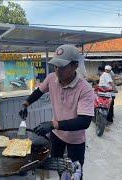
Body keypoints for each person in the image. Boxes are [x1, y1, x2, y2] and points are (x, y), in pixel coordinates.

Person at [19, 44, 95, 174]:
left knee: (75, 173)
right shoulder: (51, 78)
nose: (57, 70)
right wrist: (26, 104)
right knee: (60, 168)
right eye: (55, 66)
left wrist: (54, 124)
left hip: (75, 139)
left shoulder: (85, 89)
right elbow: (39, 91)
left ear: (75, 65)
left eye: (62, 66)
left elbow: (84, 121)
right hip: (56, 135)